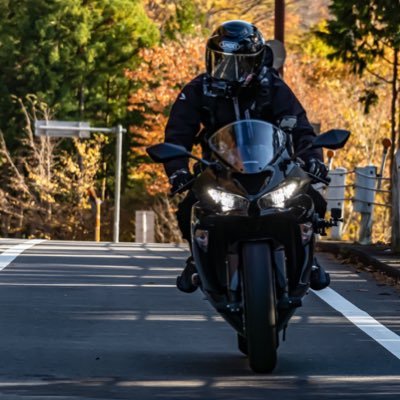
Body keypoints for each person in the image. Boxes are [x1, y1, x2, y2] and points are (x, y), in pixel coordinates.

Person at [162, 20, 330, 293]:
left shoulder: (272, 86)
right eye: (220, 61)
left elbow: (300, 126)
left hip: (273, 168)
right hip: (219, 170)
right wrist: (177, 170)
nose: (226, 70)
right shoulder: (198, 89)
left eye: (237, 63)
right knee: (188, 209)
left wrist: (313, 159)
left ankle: (307, 258)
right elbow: (177, 134)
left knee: (312, 200)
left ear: (255, 61)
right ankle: (197, 258)